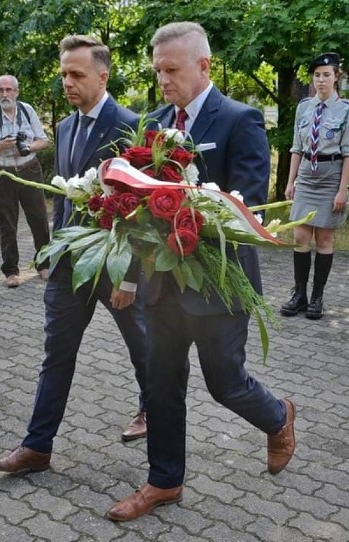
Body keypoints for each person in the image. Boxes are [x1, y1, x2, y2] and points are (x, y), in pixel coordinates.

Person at [106, 22, 295, 522]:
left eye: (171, 69)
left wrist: (188, 210)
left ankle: (278, 417)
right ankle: (163, 482)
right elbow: (138, 207)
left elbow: (250, 203)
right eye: (157, 71)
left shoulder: (240, 119)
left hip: (218, 283)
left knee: (225, 384)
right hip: (162, 283)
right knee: (161, 385)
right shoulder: (155, 125)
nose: (163, 79)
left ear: (203, 66)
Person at [0, 36, 150, 475]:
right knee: (56, 354)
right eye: (63, 75)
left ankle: (151, 410)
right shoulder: (65, 127)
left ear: (102, 75)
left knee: (144, 349)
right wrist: (53, 256)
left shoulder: (132, 126)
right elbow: (68, 200)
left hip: (116, 266)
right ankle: (37, 448)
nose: (67, 83)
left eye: (76, 74)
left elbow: (141, 213)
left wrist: (130, 277)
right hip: (69, 265)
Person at [281, 52, 349, 320]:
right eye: (317, 75)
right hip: (306, 175)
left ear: (337, 77)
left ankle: (317, 296)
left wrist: (342, 189)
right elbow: (296, 147)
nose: (321, 80)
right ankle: (299, 294)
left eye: (327, 74)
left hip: (330, 175)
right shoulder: (304, 107)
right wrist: (291, 181)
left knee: (324, 239)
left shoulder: (347, 109)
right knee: (300, 237)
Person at [0, 75, 51, 288]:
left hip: (29, 170)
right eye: (0, 90)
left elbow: (43, 140)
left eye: (9, 90)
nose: (5, 94)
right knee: (7, 224)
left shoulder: (27, 110)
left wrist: (27, 148)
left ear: (17, 91)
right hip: (2, 174)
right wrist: (0, 146)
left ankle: (44, 265)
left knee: (39, 220)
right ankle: (11, 271)